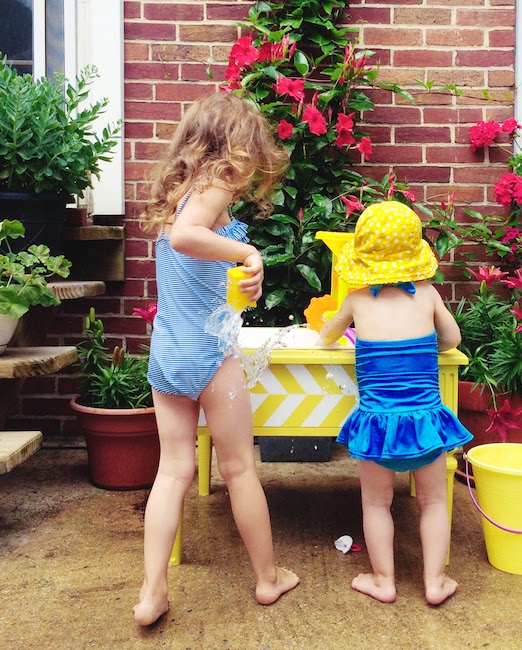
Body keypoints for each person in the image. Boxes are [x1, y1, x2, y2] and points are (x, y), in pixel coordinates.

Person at [134, 92, 299, 626]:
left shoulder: (180, 193)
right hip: (209, 356)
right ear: (231, 146)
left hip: (168, 354)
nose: (250, 168)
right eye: (249, 152)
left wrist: (245, 286)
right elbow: (188, 239)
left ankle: (152, 591)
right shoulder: (214, 185)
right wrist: (250, 253)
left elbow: (197, 273)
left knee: (173, 470)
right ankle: (268, 578)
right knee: (239, 468)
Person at [317, 201, 473, 606]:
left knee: (376, 502)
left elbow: (327, 337)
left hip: (377, 428)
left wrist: (332, 323)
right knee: (434, 501)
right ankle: (435, 582)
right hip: (425, 423)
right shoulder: (427, 295)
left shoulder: (356, 299)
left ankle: (384, 580)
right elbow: (453, 340)